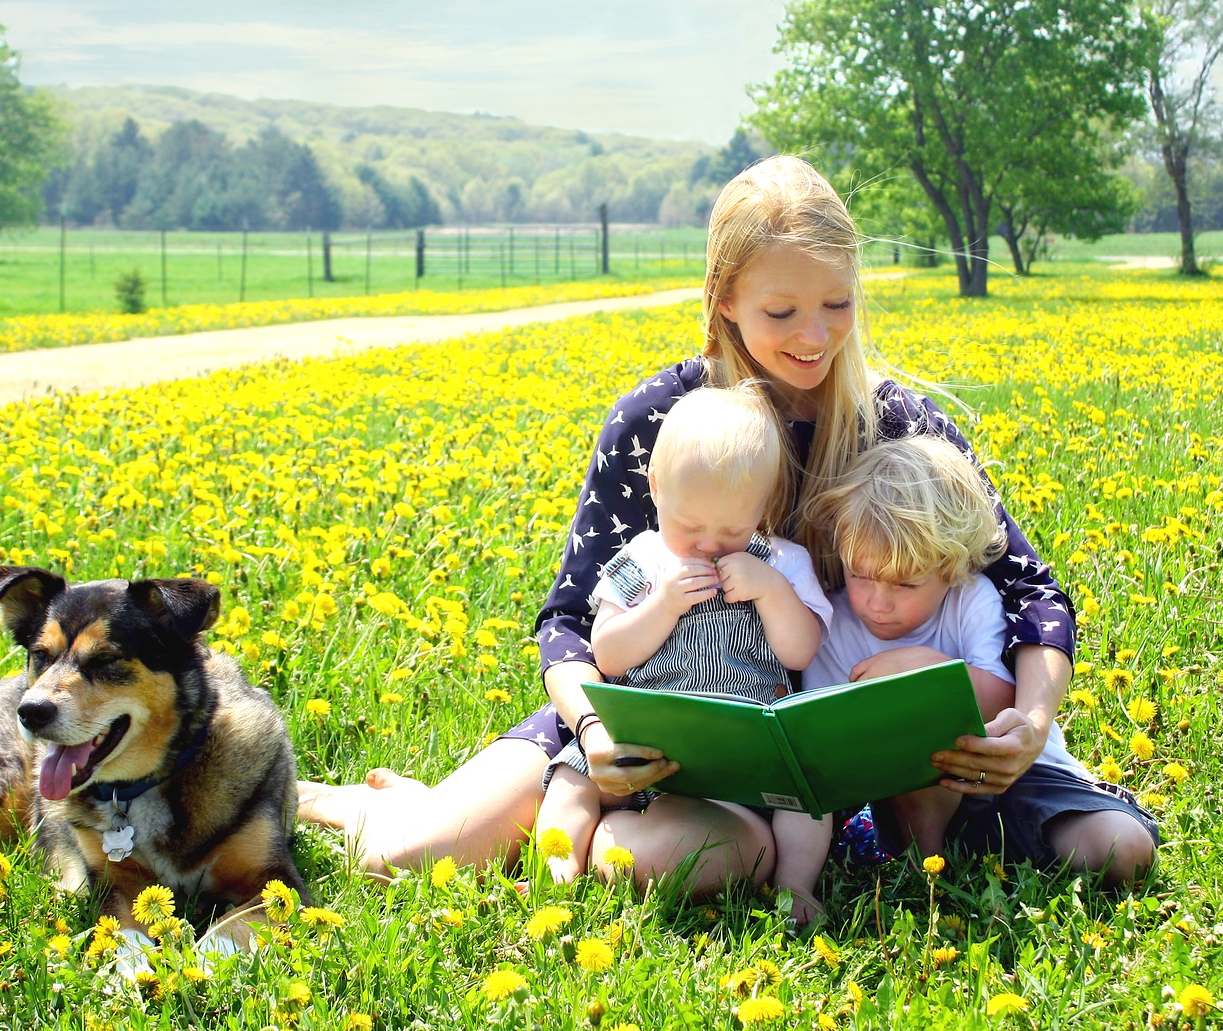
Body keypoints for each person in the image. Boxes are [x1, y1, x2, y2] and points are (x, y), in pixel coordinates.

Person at [298, 155, 1082, 901]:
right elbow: (570, 619)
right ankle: (362, 803)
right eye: (782, 311)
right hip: (635, 711)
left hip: (805, 758)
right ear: (723, 299)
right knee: (402, 860)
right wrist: (596, 728)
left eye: (837, 303)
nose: (815, 335)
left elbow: (1030, 588)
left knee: (686, 858)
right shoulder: (656, 420)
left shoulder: (895, 424)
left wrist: (1034, 718)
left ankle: (540, 818)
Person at [531, 385, 835, 921]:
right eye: (690, 527)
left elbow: (801, 649)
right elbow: (609, 653)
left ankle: (796, 886)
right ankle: (560, 867)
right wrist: (663, 605)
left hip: (741, 742)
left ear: (764, 508)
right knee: (572, 780)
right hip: (644, 735)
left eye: (733, 530)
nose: (710, 545)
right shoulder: (642, 557)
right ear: (655, 489)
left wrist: (770, 591)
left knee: (807, 795)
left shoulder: (783, 563)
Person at [801, 437, 1157, 881]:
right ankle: (927, 865)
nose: (878, 602)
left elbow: (1002, 701)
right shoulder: (835, 624)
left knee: (1124, 852)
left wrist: (925, 671)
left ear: (951, 568)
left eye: (905, 585)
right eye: (861, 575)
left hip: (1020, 773)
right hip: (912, 792)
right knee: (917, 730)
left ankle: (989, 843)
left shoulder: (972, 600)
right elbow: (818, 735)